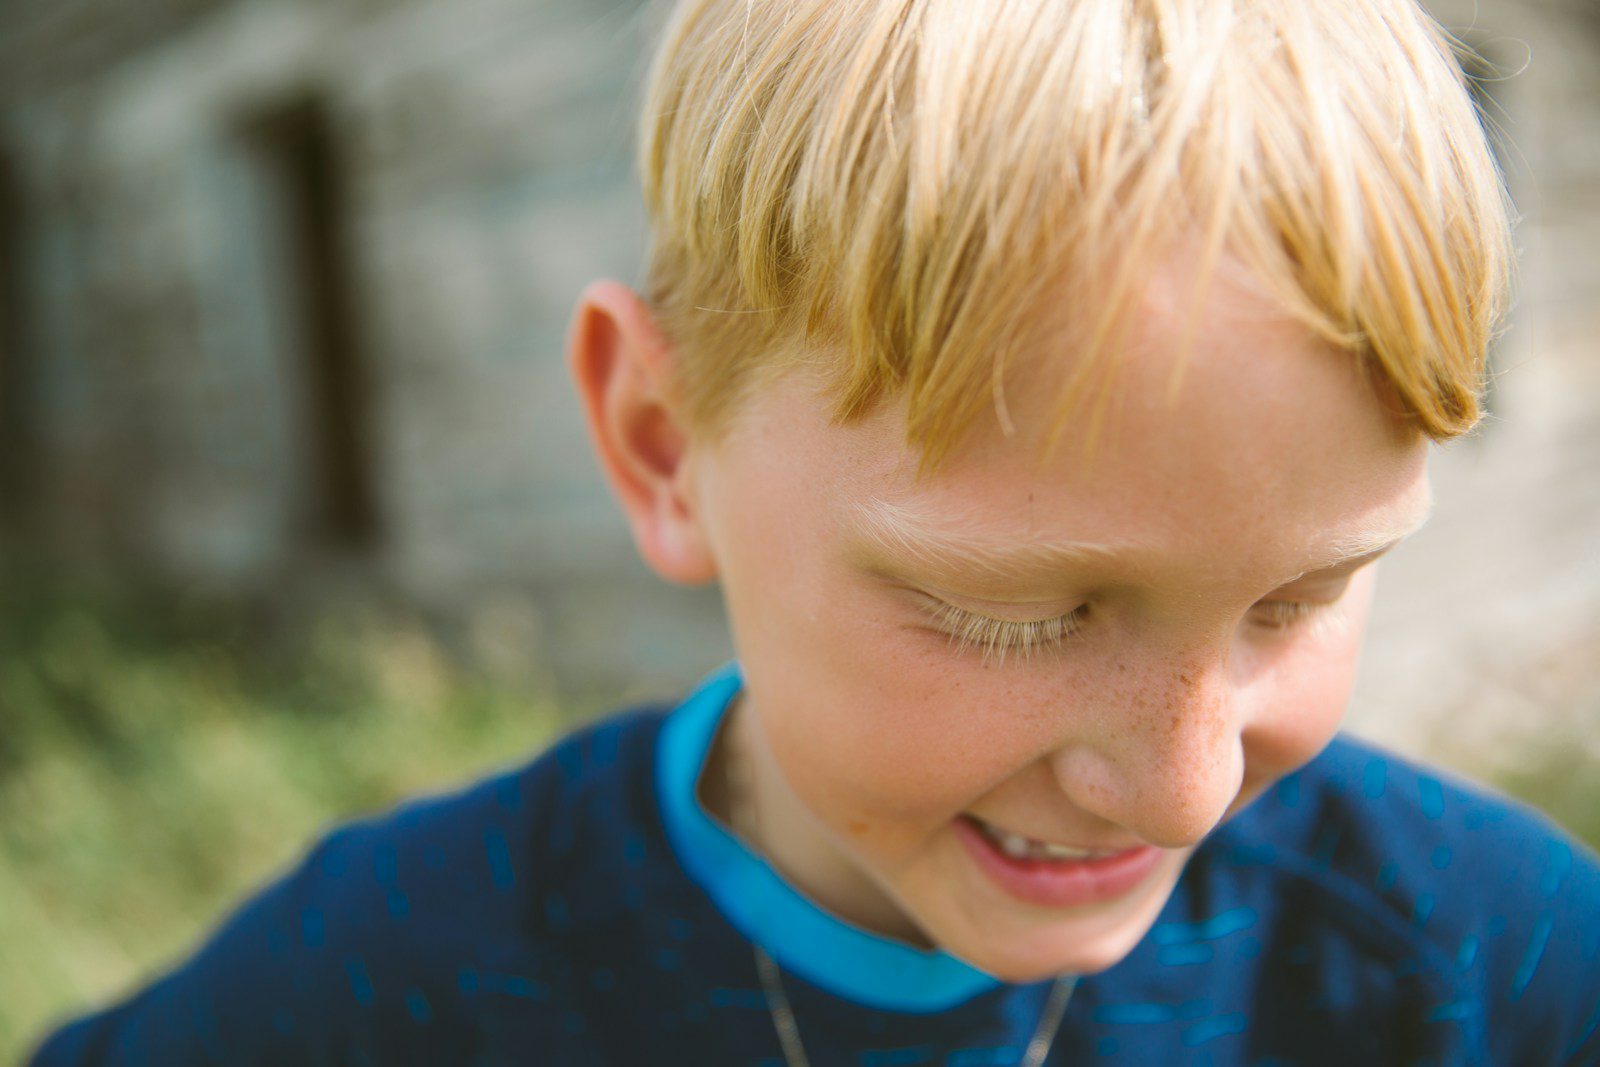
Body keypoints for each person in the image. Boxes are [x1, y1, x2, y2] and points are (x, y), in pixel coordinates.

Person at [28, 0, 1600, 1063]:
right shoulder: (389, 980)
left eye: (1305, 598)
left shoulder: (1491, 969)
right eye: (1017, 614)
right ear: (661, 446)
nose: (1185, 788)